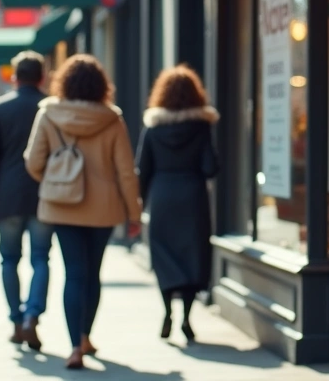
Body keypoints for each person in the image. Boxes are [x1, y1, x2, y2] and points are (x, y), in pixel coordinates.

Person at [25, 54, 140, 369]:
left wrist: (57, 179)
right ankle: (86, 335)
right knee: (93, 273)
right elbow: (126, 172)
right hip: (103, 209)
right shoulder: (112, 119)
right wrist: (134, 213)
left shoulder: (48, 115)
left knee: (73, 272)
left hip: (63, 208)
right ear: (101, 85)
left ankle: (74, 346)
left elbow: (33, 162)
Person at [136, 64, 219, 342]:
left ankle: (166, 312)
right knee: (193, 256)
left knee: (164, 256)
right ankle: (186, 318)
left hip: (162, 197)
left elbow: (142, 170)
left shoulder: (153, 127)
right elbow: (210, 168)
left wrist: (138, 207)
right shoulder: (201, 127)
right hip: (192, 197)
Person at [0, 50, 52, 350]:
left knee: (9, 259)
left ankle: (15, 317)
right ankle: (32, 314)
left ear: (14, 77)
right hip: (43, 196)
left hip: (6, 196)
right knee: (40, 259)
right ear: (42, 77)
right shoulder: (49, 108)